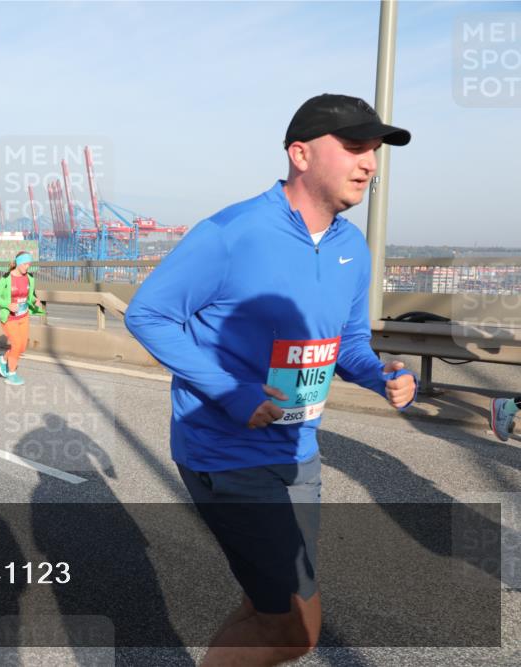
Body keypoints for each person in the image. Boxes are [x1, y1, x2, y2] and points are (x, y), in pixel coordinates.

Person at [125, 93, 418, 666]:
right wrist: (231, 392)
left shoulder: (351, 248)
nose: (371, 163)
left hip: (299, 448)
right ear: (301, 154)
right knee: (293, 629)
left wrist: (382, 375)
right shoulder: (231, 232)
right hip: (226, 452)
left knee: (271, 610)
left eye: (376, 152)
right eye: (356, 147)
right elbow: (148, 314)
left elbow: (349, 343)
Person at [0, 251, 44, 386]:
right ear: (19, 263)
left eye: (29, 264)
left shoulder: (30, 278)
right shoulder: (6, 278)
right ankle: (11, 374)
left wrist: (35, 300)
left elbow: (29, 295)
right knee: (16, 345)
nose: (28, 267)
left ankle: (3, 360)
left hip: (24, 316)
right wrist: (7, 305)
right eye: (26, 264)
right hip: (10, 317)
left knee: (22, 347)